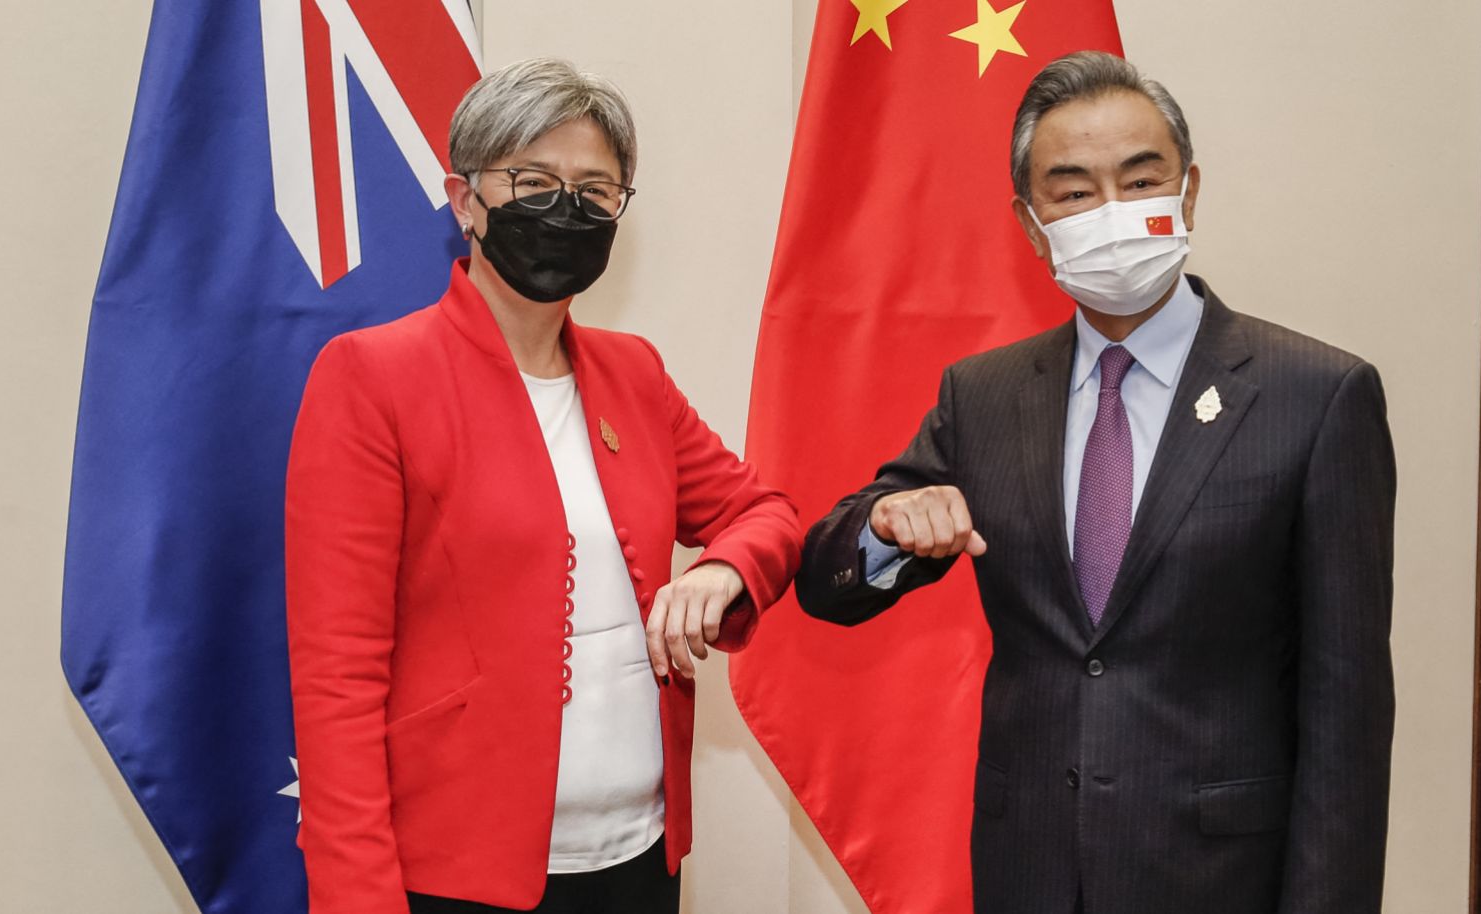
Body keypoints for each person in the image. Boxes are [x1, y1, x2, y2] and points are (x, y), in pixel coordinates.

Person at [795, 51, 1395, 914]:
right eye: (1073, 192)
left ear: (1186, 193)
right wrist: (884, 527)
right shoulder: (986, 394)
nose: (1110, 211)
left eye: (1139, 179)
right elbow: (828, 585)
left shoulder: (1317, 396)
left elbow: (1347, 714)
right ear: (1031, 223)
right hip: (1029, 869)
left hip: (1219, 879)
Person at [285, 58, 801, 914]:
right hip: (454, 878)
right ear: (464, 200)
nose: (568, 209)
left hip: (639, 860)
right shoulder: (372, 378)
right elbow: (336, 681)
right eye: (533, 181)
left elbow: (764, 512)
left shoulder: (633, 375)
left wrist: (723, 570)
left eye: (596, 191)